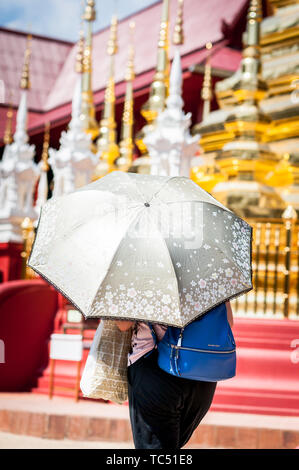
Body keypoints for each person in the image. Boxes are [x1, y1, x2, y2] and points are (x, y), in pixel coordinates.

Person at [115, 301, 234, 449]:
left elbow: (123, 324)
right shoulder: (213, 279)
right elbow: (228, 321)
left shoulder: (144, 278)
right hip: (201, 370)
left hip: (154, 369)